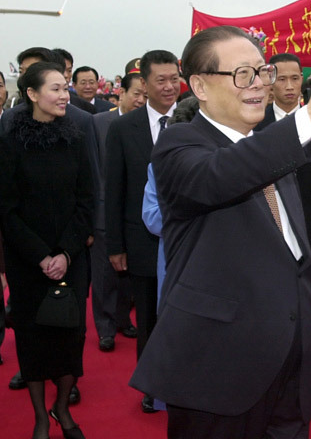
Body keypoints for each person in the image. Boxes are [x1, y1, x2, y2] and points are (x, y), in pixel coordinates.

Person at [129, 26, 311, 439]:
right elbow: (222, 175)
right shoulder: (179, 146)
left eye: (261, 72)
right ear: (199, 86)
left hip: (288, 362)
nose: (259, 86)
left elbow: (296, 259)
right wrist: (310, 117)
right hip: (217, 367)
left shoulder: (269, 149)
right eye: (242, 75)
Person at [0, 61, 93, 439]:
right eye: (55, 88)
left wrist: (65, 254)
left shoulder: (76, 138)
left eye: (65, 87)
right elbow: (6, 209)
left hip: (71, 258)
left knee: (71, 339)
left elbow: (87, 201)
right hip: (27, 261)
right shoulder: (8, 143)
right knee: (33, 340)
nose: (63, 95)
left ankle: (61, 410)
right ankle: (41, 418)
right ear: (33, 94)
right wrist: (40, 256)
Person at [105, 49, 180, 413]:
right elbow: (115, 190)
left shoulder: (193, 121)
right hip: (142, 240)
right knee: (149, 318)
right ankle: (152, 385)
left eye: (174, 79)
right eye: (160, 81)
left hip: (189, 243)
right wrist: (115, 244)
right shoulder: (122, 129)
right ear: (143, 85)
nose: (169, 87)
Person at [256, 52, 311, 329]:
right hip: (267, 222)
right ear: (269, 80)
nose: (289, 86)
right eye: (282, 79)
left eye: (295, 78)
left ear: (303, 80)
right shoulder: (256, 122)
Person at [91, 72, 146, 352]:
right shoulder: (99, 123)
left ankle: (124, 319)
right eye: (135, 93)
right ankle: (105, 327)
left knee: (129, 273)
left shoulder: (148, 123)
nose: (140, 99)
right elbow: (92, 171)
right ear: (120, 93)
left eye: (144, 95)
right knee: (105, 275)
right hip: (103, 213)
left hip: (135, 215)